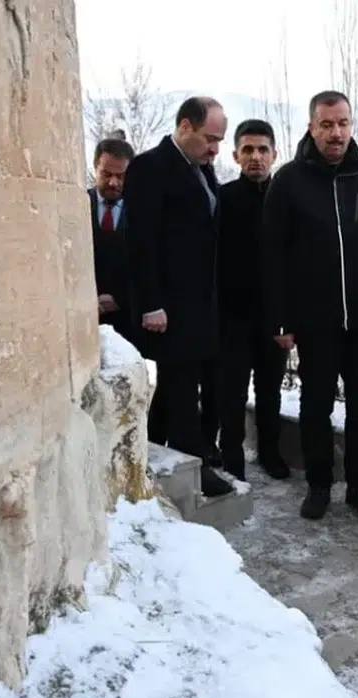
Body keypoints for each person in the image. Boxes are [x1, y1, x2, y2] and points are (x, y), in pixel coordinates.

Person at [262, 90, 358, 521]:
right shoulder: (288, 181)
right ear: (312, 127)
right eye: (326, 124)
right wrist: (280, 319)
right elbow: (272, 254)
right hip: (315, 321)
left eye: (342, 123)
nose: (335, 133)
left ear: (351, 125)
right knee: (315, 407)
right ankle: (319, 486)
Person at [123, 96, 234, 498]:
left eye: (219, 141)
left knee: (178, 385)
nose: (215, 149)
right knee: (184, 388)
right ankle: (195, 467)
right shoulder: (150, 168)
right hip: (169, 306)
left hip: (200, 303)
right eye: (210, 138)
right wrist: (151, 303)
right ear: (185, 126)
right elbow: (141, 241)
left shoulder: (201, 168)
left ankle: (150, 453)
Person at [216, 119, 291, 481]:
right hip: (232, 316)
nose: (256, 157)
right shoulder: (223, 198)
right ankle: (232, 458)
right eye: (248, 150)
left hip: (274, 317)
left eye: (263, 149)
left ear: (274, 154)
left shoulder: (286, 198)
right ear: (236, 155)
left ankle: (270, 453)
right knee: (231, 392)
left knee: (270, 391)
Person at [89, 137, 136, 343]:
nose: (113, 183)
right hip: (84, 320)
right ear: (95, 169)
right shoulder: (75, 205)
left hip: (129, 322)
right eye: (106, 174)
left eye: (121, 176)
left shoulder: (143, 210)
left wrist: (120, 298)